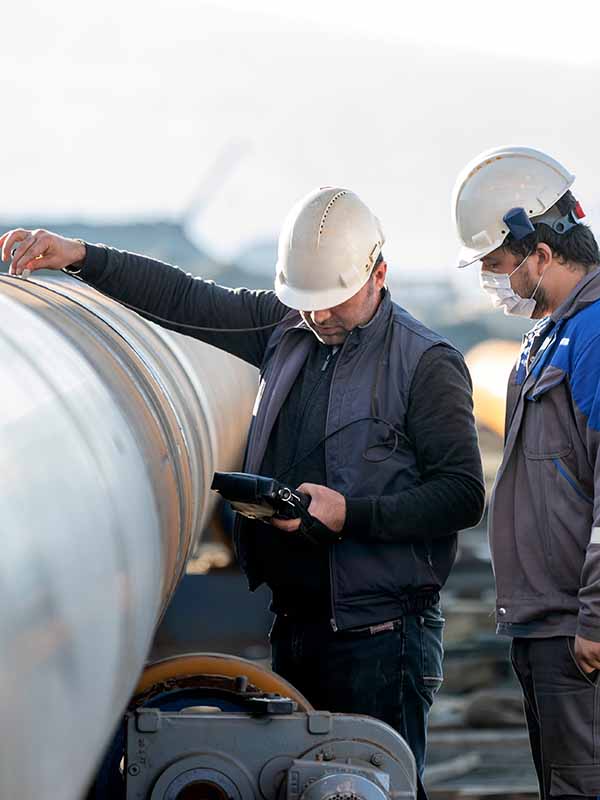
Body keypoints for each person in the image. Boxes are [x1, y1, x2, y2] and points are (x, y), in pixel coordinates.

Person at [1, 187, 484, 796]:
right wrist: (81, 257)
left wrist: (349, 515)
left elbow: (463, 494)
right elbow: (183, 298)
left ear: (378, 274)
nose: (321, 316)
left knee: (368, 785)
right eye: (307, 303)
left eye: (333, 302)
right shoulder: (286, 330)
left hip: (381, 642)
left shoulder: (426, 363)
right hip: (298, 624)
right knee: (304, 783)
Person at [453, 146, 600, 799]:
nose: (494, 281)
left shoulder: (593, 336)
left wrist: (596, 618)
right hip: (545, 620)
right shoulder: (552, 333)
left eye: (498, 265)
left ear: (540, 251)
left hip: (577, 627)